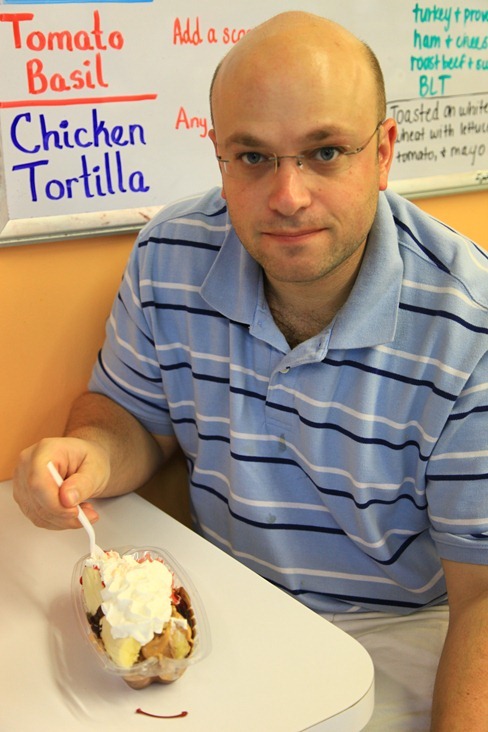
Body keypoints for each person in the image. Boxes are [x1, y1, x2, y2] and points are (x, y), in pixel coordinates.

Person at [13, 11, 488, 731]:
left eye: (326, 152)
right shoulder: (167, 257)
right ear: (220, 158)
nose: (288, 196)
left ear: (384, 152)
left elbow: (482, 598)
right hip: (226, 608)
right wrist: (93, 456)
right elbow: (130, 419)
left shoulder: (469, 324)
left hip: (397, 636)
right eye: (254, 157)